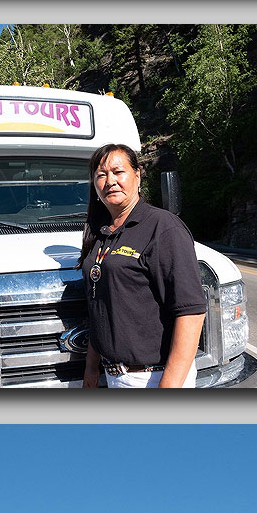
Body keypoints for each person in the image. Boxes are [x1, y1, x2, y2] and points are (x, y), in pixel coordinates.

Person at [79, 144, 207, 388]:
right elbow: (100, 307)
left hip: (153, 378)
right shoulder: (101, 233)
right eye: (101, 175)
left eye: (118, 172)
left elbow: (191, 312)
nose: (110, 181)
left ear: (137, 175)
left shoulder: (163, 227)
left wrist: (168, 387)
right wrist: (91, 368)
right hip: (115, 376)